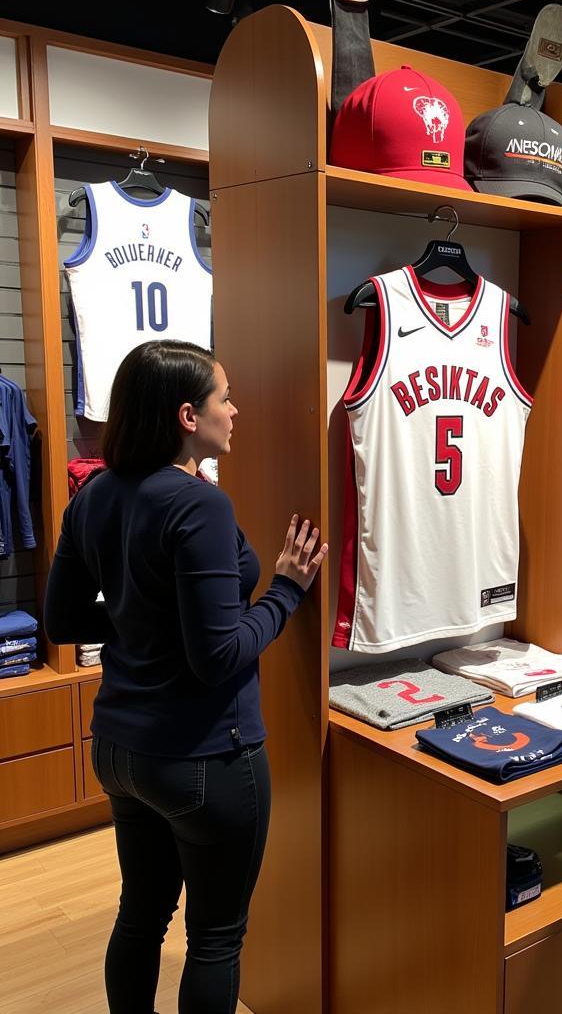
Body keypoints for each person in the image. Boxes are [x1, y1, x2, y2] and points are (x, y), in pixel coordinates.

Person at [44, 340, 328, 1014]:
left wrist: (144, 628)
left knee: (140, 916)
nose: (236, 410)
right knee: (216, 936)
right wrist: (285, 592)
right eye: (224, 398)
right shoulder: (199, 505)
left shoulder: (94, 494)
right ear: (187, 416)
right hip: (204, 755)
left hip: (119, 750)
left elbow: (61, 618)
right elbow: (218, 656)